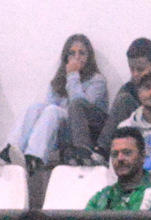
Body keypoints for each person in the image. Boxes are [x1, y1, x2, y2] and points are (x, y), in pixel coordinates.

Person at [9, 33, 107, 170]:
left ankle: (34, 157)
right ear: (66, 58)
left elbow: (79, 107)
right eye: (72, 53)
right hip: (61, 131)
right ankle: (11, 148)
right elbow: (47, 113)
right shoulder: (58, 82)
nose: (77, 57)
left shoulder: (97, 81)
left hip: (84, 132)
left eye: (82, 53)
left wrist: (73, 76)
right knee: (36, 107)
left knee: (53, 110)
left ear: (89, 56)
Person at [96, 37, 151, 162]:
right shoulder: (129, 87)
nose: (135, 73)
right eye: (131, 68)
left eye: (140, 69)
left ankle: (102, 152)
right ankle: (100, 151)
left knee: (123, 100)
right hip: (133, 133)